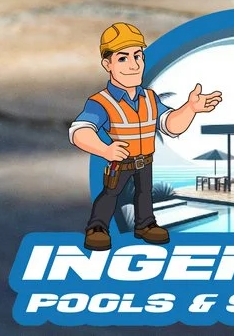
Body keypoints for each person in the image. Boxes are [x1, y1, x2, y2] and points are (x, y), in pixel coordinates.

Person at [68, 21, 222, 251]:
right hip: (120, 162)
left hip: (145, 160)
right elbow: (80, 131)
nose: (133, 65)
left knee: (144, 194)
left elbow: (170, 125)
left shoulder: (150, 98)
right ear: (107, 64)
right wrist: (105, 150)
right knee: (111, 194)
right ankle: (97, 227)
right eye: (123, 58)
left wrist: (190, 108)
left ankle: (145, 224)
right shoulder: (101, 102)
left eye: (137, 56)